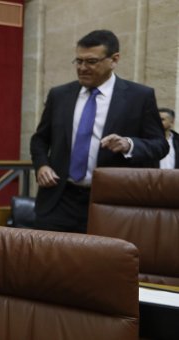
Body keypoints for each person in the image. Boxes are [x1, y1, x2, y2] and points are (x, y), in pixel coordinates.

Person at [30, 29, 168, 234]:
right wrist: (42, 165)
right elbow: (40, 139)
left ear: (114, 59)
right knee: (51, 262)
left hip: (112, 202)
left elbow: (160, 145)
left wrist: (129, 144)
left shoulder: (139, 97)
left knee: (100, 263)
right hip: (59, 200)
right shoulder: (59, 95)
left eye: (91, 62)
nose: (82, 68)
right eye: (78, 61)